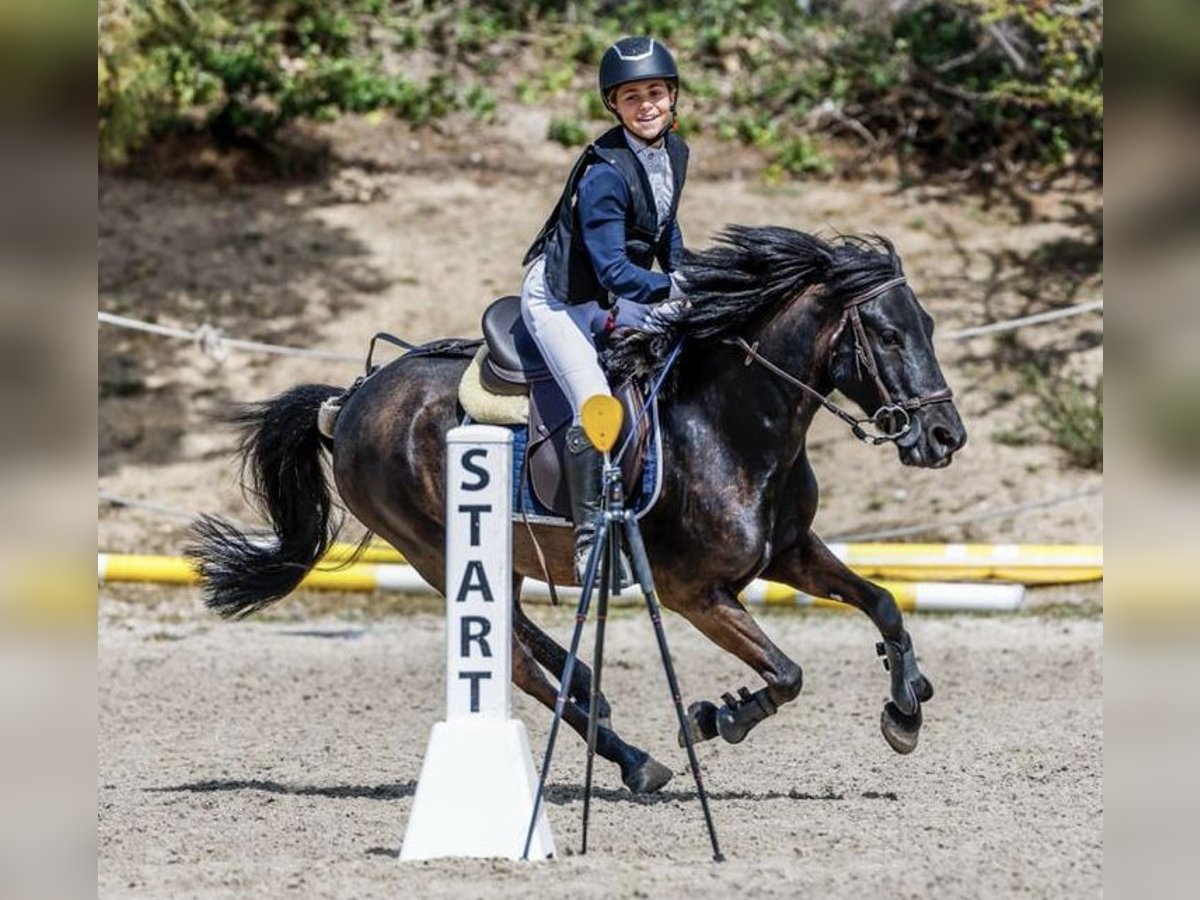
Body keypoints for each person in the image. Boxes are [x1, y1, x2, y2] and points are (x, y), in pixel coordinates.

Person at [520, 35, 690, 582]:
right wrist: (677, 289)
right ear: (613, 105)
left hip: (610, 293)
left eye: (656, 93)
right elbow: (616, 271)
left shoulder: (676, 152)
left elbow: (666, 232)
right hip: (561, 300)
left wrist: (695, 280)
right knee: (597, 402)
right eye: (632, 96)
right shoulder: (604, 174)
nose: (646, 106)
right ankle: (589, 537)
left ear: (673, 98)